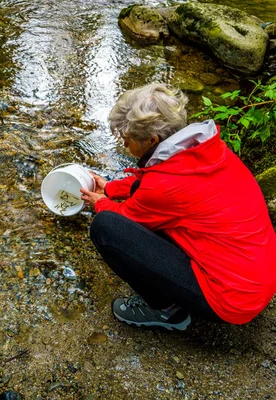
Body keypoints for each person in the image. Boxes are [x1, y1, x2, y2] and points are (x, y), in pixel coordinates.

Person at [79, 83, 276, 331]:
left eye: (127, 140)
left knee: (105, 228)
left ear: (152, 139)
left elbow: (125, 216)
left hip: (232, 299)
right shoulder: (205, 151)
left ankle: (165, 312)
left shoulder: (163, 185)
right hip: (258, 277)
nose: (124, 146)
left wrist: (101, 203)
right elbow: (150, 182)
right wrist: (109, 188)